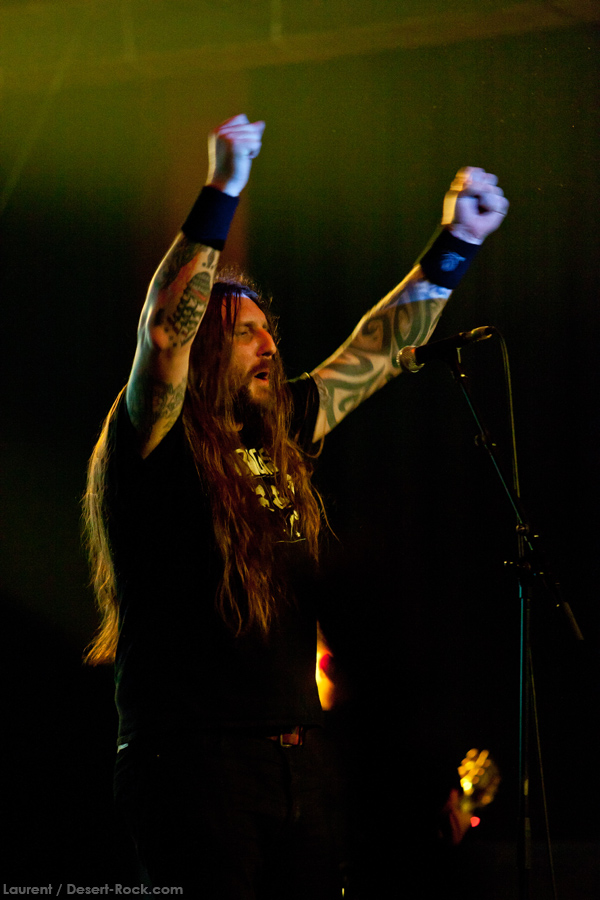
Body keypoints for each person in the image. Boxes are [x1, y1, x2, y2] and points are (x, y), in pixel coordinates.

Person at [83, 114, 508, 898]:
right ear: (207, 350)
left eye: (268, 331)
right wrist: (223, 188)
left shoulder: (280, 428)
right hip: (195, 761)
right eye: (246, 333)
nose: (270, 346)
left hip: (299, 760)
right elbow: (164, 332)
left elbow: (377, 351)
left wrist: (457, 243)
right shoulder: (157, 436)